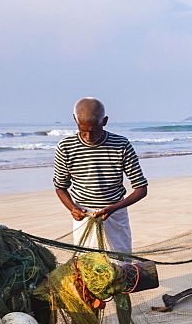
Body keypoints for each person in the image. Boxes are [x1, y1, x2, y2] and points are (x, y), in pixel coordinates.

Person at [54, 98, 148, 253]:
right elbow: (60, 187)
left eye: (94, 131)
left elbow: (141, 189)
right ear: (75, 119)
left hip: (115, 213)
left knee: (121, 261)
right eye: (82, 131)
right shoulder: (65, 147)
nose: (88, 137)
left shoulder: (121, 144)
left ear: (104, 121)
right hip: (83, 214)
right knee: (87, 264)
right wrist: (72, 208)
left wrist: (113, 208)